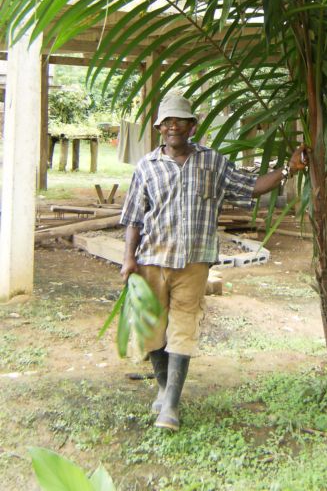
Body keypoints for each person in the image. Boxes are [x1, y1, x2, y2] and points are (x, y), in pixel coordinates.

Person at [120, 91, 308, 431]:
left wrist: (286, 170)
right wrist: (127, 260)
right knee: (153, 332)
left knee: (183, 329)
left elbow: (250, 187)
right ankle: (164, 388)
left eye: (180, 121)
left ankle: (171, 407)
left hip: (194, 263)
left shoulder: (212, 162)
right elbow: (134, 217)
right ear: (159, 127)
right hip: (152, 261)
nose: (173, 126)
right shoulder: (146, 167)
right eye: (167, 122)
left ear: (193, 126)